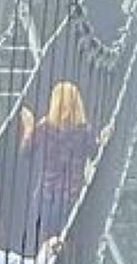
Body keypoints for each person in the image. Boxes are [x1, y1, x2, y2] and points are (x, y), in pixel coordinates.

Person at [16, 81, 96, 248]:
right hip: (72, 197)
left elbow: (25, 153)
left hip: (46, 196)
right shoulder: (84, 131)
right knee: (69, 245)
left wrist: (29, 127)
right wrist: (103, 140)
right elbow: (94, 153)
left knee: (46, 245)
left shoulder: (45, 127)